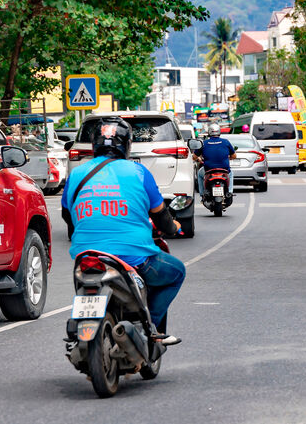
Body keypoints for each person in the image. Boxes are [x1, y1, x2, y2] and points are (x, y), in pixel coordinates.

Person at [61, 116, 184, 345]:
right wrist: (173, 228)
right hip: (133, 256)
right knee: (176, 272)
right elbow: (161, 216)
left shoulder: (76, 174)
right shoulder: (138, 172)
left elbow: (68, 216)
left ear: (94, 144)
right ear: (126, 145)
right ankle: (151, 330)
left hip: (86, 256)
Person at [193, 123, 236, 196]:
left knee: (200, 174)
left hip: (208, 169)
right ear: (219, 131)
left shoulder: (203, 143)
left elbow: (194, 157)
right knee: (231, 174)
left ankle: (202, 194)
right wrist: (228, 157)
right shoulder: (226, 142)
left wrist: (199, 159)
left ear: (209, 132)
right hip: (224, 169)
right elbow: (234, 156)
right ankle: (230, 192)